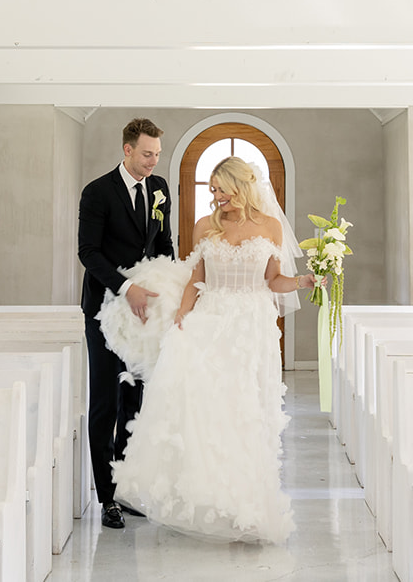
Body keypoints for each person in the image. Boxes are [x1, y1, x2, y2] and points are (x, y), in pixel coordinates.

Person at [108, 156, 319, 544]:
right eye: (213, 190)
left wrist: (302, 281)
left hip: (251, 330)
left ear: (242, 186)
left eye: (221, 189)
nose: (216, 196)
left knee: (246, 413)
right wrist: (181, 319)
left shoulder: (270, 226)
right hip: (210, 321)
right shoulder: (205, 226)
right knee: (207, 411)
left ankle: (247, 507)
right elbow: (196, 278)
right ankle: (206, 500)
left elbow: (273, 281)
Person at [78, 118, 174, 531]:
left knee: (134, 399)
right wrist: (125, 286)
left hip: (145, 312)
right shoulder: (97, 193)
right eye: (147, 154)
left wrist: (170, 287)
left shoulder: (160, 189)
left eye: (157, 154)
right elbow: (88, 252)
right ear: (127, 150)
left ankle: (125, 487)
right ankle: (105, 497)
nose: (154, 161)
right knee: (105, 401)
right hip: (105, 307)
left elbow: (163, 244)